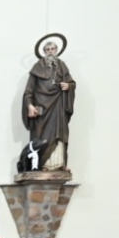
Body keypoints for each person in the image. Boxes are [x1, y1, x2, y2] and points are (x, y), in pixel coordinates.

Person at [23, 35, 76, 171]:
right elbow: (28, 91)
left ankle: (59, 164)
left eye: (53, 49)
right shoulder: (38, 67)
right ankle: (42, 164)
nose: (50, 51)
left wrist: (68, 86)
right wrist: (29, 106)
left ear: (57, 50)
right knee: (42, 137)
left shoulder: (62, 66)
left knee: (59, 134)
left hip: (57, 106)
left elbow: (71, 83)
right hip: (42, 109)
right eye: (47, 49)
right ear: (44, 52)